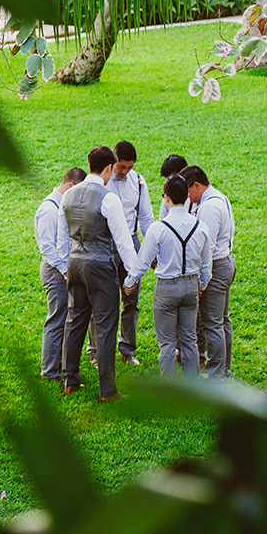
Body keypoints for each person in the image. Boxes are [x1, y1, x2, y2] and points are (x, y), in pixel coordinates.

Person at [60, 146, 138, 401]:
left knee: (75, 321)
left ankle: (70, 380)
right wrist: (132, 275)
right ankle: (108, 390)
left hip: (74, 262)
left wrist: (65, 265)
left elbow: (63, 236)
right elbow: (123, 240)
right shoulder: (108, 198)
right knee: (105, 326)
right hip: (100, 264)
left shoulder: (68, 195)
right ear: (107, 169)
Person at [125, 174, 213, 377]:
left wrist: (130, 282)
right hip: (190, 285)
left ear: (166, 198)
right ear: (187, 197)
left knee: (167, 343)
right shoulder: (200, 227)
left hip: (166, 287)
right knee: (189, 339)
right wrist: (201, 286)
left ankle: (170, 388)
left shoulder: (158, 229)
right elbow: (206, 265)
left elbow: (142, 262)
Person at [183, 164, 236, 377]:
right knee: (222, 321)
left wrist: (201, 282)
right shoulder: (218, 198)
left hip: (215, 266)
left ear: (196, 185)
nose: (187, 197)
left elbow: (206, 246)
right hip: (225, 261)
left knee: (213, 323)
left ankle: (216, 374)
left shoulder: (209, 207)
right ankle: (224, 369)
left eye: (188, 190)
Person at [33, 167, 84, 383]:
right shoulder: (49, 209)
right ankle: (50, 371)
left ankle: (61, 365)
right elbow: (47, 247)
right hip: (55, 272)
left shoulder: (61, 206)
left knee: (66, 319)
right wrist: (64, 270)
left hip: (64, 271)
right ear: (71, 186)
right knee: (56, 319)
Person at [107, 140, 153, 366]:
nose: (125, 172)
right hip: (107, 243)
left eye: (129, 167)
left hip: (131, 242)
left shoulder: (138, 181)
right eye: (121, 167)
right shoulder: (101, 181)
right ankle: (96, 351)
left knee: (131, 298)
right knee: (103, 301)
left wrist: (150, 247)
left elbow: (145, 217)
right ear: (113, 161)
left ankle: (127, 348)